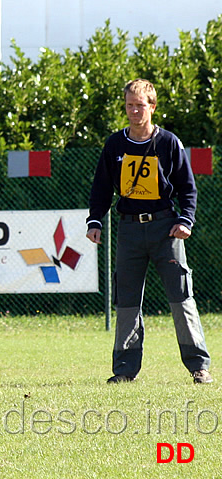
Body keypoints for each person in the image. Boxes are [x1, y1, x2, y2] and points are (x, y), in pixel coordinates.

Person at [86, 78, 212, 384]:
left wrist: (185, 220)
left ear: (152, 107)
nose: (133, 111)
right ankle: (125, 371)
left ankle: (199, 366)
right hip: (128, 230)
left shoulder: (169, 142)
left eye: (139, 105)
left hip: (165, 228)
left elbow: (187, 188)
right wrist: (95, 220)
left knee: (181, 297)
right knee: (126, 301)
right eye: (129, 105)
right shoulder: (115, 144)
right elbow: (101, 186)